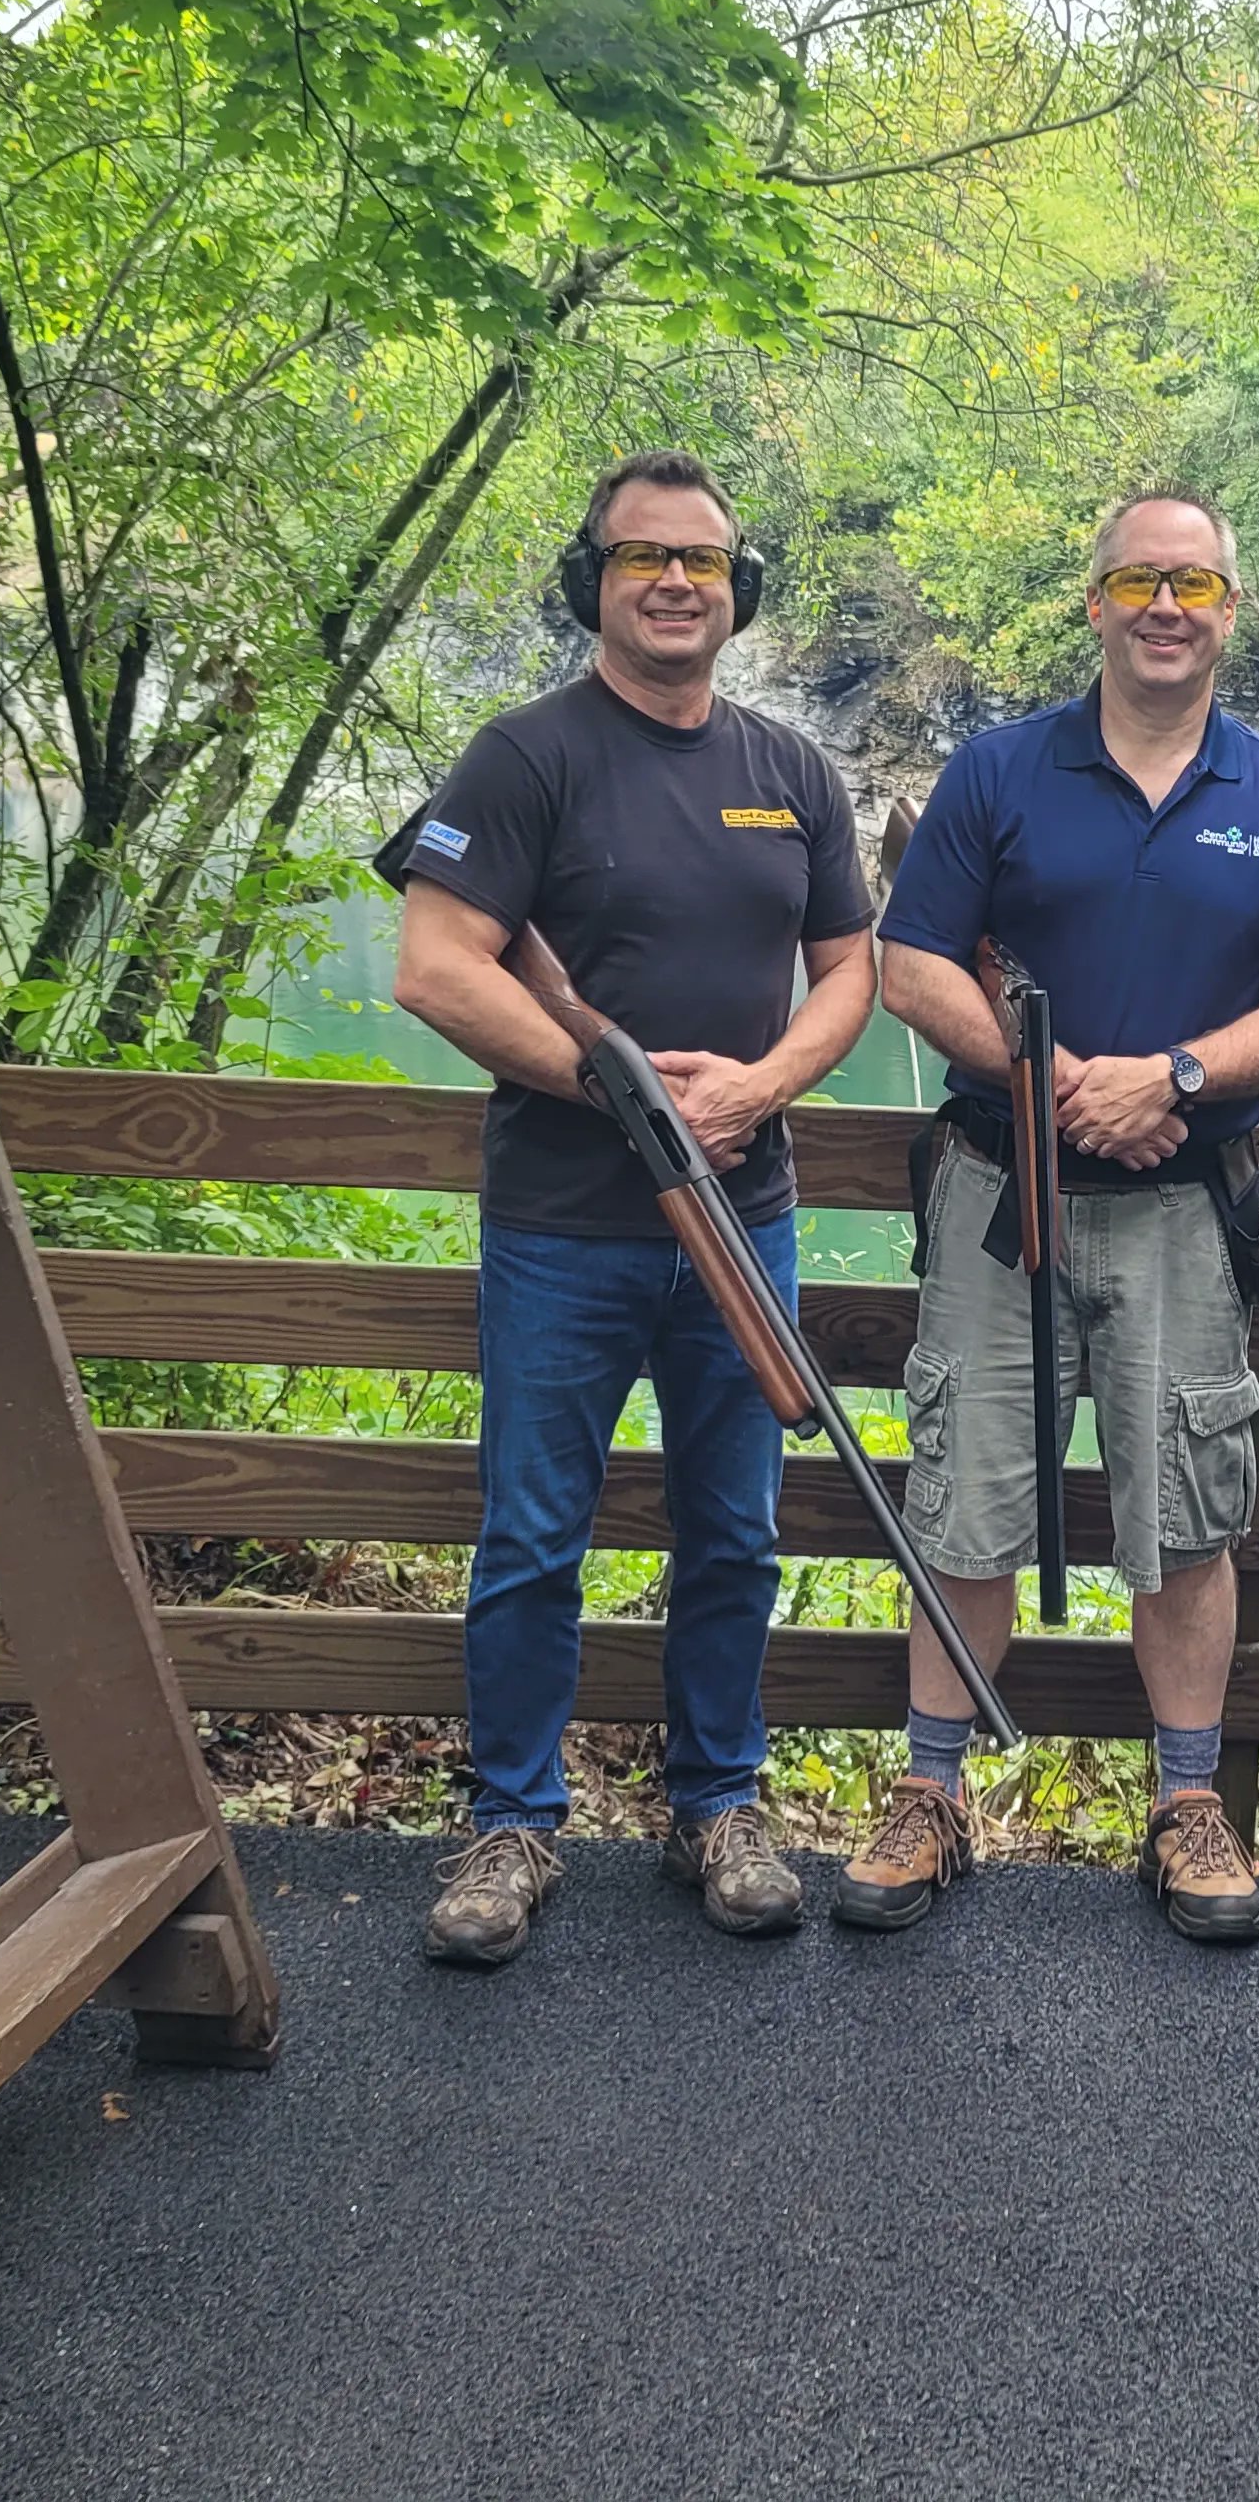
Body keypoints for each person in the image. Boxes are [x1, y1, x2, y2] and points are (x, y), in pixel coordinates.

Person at [382, 448, 873, 1967]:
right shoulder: (524, 757)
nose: (673, 581)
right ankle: (512, 1820)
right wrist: (617, 1092)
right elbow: (438, 967)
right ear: (589, 581)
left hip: (746, 1218)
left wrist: (758, 1087)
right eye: (641, 556)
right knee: (535, 1535)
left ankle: (716, 1804)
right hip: (563, 1230)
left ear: (739, 591)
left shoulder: (793, 772)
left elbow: (850, 972)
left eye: (701, 560)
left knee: (734, 1532)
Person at [842, 490, 1259, 1943]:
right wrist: (1055, 1082)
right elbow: (909, 962)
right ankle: (933, 1793)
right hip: (1001, 1192)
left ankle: (1188, 1803)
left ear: (1230, 611)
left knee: (1189, 1513)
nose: (1164, 608)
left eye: (1193, 585)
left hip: (1188, 1208)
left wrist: (1172, 1077)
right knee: (964, 1497)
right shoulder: (999, 771)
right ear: (1097, 602)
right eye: (1137, 582)